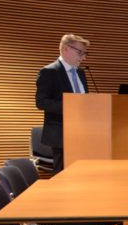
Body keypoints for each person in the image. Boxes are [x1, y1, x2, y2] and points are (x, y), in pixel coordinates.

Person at [35, 33, 91, 172]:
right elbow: (41, 102)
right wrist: (70, 106)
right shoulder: (49, 72)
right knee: (63, 174)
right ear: (66, 49)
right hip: (61, 133)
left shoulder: (81, 73)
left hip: (84, 131)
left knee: (82, 172)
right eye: (80, 52)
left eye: (85, 53)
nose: (83, 57)